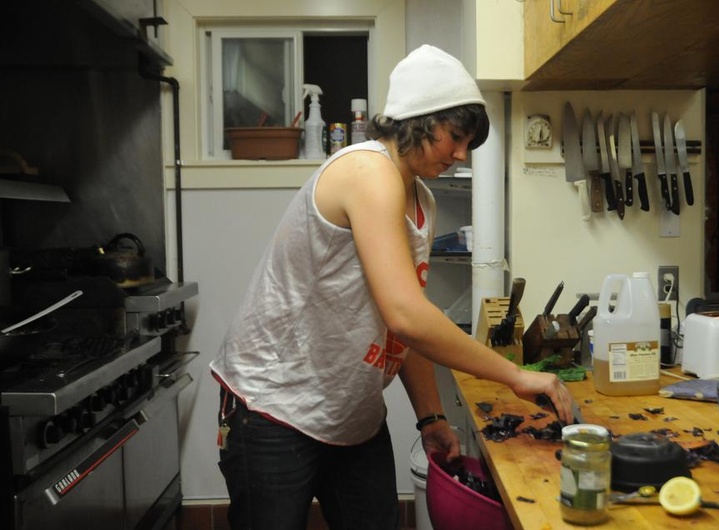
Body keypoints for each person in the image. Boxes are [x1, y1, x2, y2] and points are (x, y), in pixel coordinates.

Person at [210, 44, 576, 530]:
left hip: (350, 415)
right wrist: (516, 375)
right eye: (455, 137)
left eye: (468, 143)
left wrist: (431, 417)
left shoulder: (420, 198)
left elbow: (401, 322)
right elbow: (405, 314)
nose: (461, 154)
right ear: (417, 121)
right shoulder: (367, 172)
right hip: (274, 406)